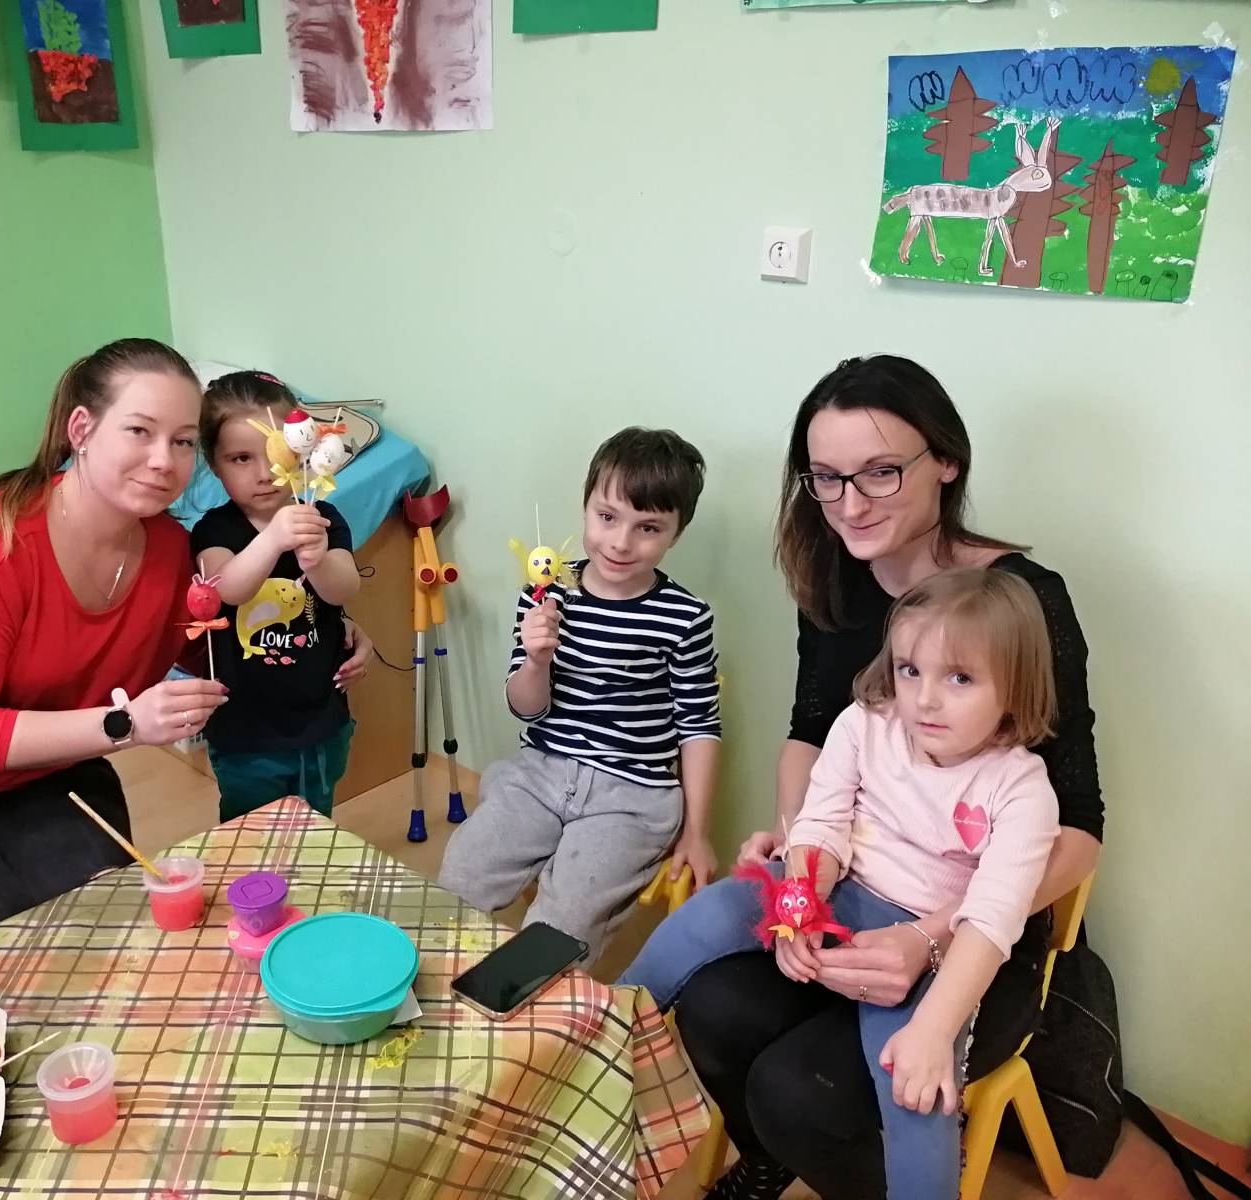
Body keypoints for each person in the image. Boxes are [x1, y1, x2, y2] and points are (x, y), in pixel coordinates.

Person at [674, 355, 1103, 1200]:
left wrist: (930, 938)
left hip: (977, 929)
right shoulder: (835, 570)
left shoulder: (1021, 602)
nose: (850, 505)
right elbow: (810, 736)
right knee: (711, 1007)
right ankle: (769, 1159)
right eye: (826, 478)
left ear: (946, 461)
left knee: (799, 1091)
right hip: (854, 887)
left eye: (880, 472)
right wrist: (803, 856)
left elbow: (1080, 833)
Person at [0, 339, 372, 962]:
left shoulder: (166, 553)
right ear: (82, 429)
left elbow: (210, 641)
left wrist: (334, 635)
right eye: (139, 431)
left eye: (182, 441)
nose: (163, 460)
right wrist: (126, 723)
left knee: (102, 937)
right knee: (3, 953)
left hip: (46, 773)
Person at [623, 568, 1060, 1200]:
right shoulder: (864, 724)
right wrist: (797, 909)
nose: (925, 700)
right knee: (713, 911)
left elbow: (991, 920)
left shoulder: (1022, 789)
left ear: (1015, 687)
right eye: (910, 670)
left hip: (925, 946)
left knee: (914, 1089)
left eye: (960, 678)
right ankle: (609, 1024)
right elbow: (820, 823)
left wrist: (934, 1030)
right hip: (840, 894)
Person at [438, 427, 722, 964]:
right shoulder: (545, 594)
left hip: (632, 795)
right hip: (541, 773)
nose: (620, 542)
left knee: (559, 931)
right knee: (460, 875)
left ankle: (523, 1006)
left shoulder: (685, 617)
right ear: (586, 506)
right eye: (607, 517)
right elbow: (526, 708)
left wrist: (697, 832)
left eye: (648, 528)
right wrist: (536, 659)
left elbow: (700, 725)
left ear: (676, 534)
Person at [193, 371, 361, 822]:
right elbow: (226, 588)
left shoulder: (321, 516)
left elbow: (345, 587)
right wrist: (272, 540)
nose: (264, 473)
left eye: (276, 454)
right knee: (250, 832)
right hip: (246, 731)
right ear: (215, 464)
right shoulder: (214, 530)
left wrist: (317, 561)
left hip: (322, 719)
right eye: (241, 458)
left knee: (315, 825)